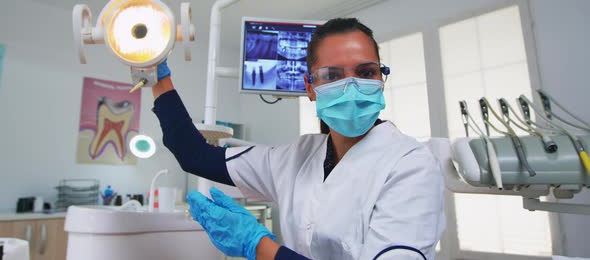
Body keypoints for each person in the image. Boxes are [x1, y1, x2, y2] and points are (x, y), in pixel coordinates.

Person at [151, 18, 445, 260]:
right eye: (332, 75)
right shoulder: (297, 156)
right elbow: (194, 154)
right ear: (310, 87)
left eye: (366, 72)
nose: (352, 87)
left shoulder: (411, 165)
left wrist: (258, 246)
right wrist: (157, 76)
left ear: (381, 78)